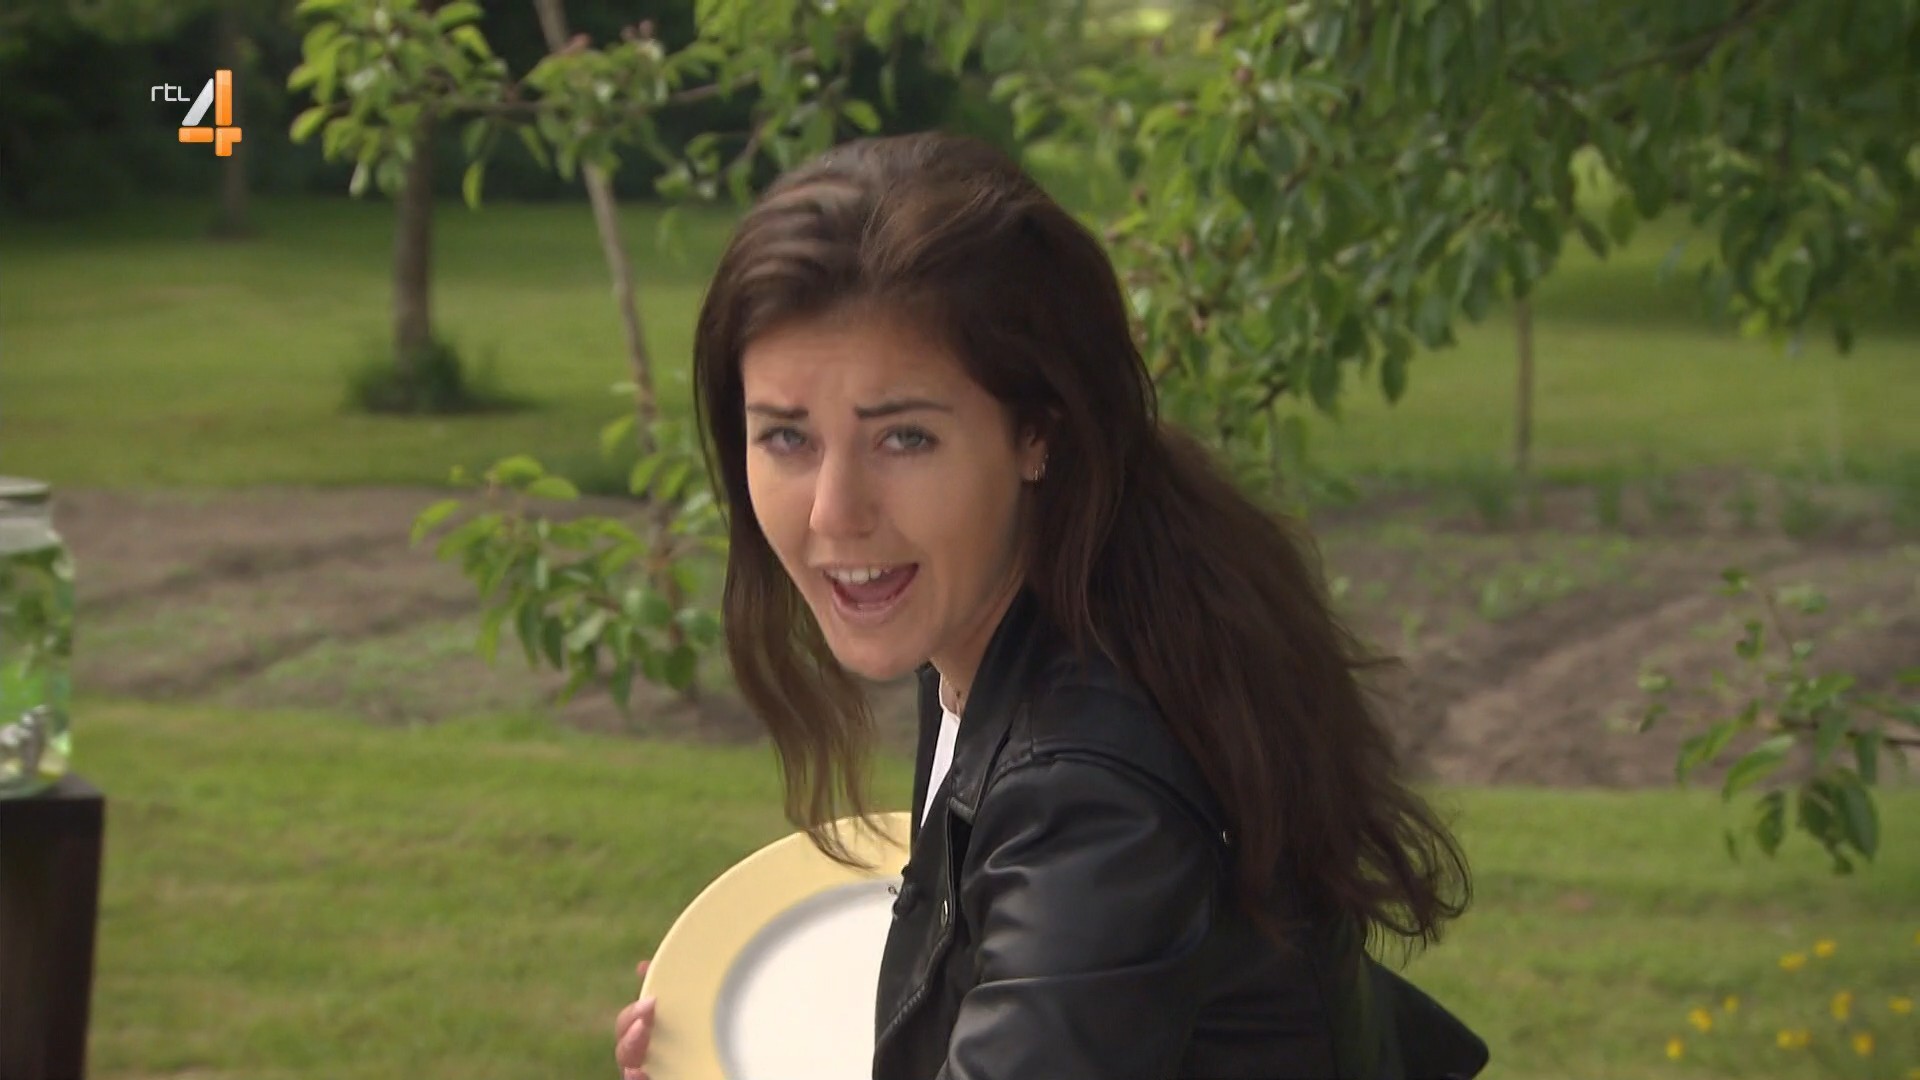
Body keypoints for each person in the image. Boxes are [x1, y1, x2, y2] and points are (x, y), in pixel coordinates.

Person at [615, 131, 1488, 1080]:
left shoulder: (1087, 798)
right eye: (787, 438)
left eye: (904, 438)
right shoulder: (1034, 607)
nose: (834, 512)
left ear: (1037, 432)